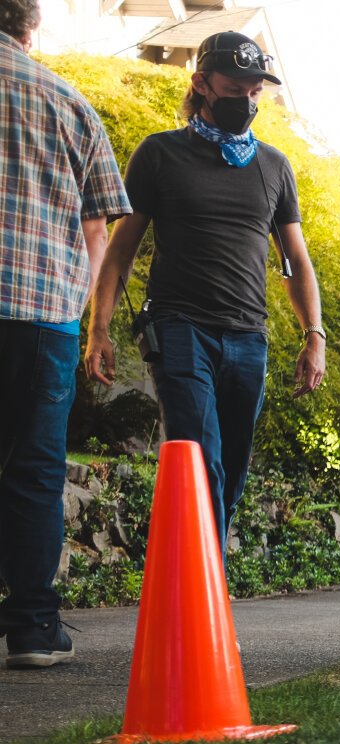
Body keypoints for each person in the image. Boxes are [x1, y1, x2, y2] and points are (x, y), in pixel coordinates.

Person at [85, 31, 325, 559]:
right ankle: (204, 592)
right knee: (201, 455)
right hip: (179, 328)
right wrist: (98, 329)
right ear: (201, 83)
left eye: (256, 89)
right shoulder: (160, 153)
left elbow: (296, 262)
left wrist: (315, 334)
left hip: (248, 338)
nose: (248, 98)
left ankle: (195, 574)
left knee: (233, 466)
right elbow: (121, 253)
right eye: (235, 86)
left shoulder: (274, 167)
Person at [0, 0, 131, 669]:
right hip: (42, 316)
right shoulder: (70, 103)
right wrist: (84, 321)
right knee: (34, 471)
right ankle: (31, 630)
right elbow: (97, 232)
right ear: (31, 29)